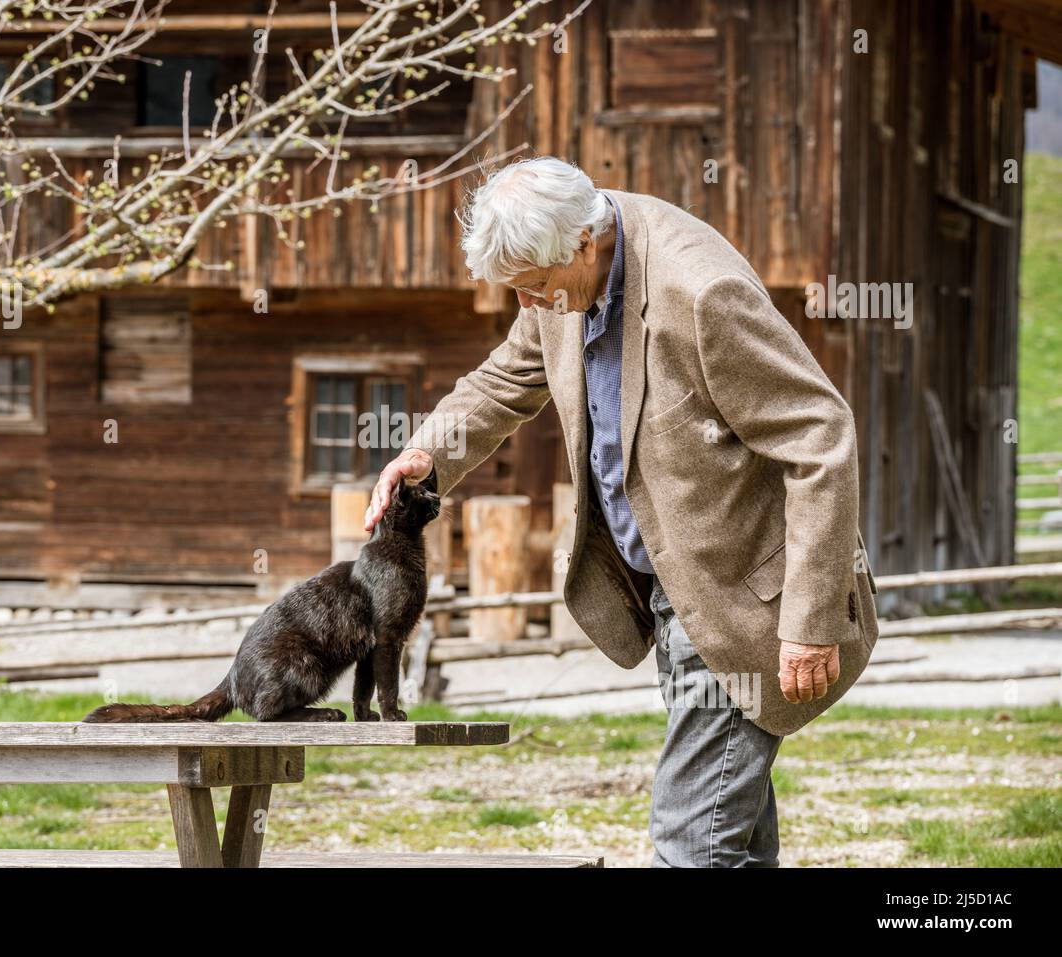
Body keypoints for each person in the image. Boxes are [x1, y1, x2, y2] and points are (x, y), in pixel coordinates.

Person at [362, 156, 879, 867]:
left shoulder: (700, 291)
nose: (533, 307)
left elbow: (820, 434)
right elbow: (508, 380)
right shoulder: (556, 283)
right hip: (671, 595)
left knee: (689, 840)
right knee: (734, 838)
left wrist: (812, 620)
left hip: (744, 603)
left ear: (582, 243)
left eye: (537, 290)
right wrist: (428, 454)